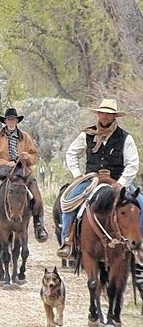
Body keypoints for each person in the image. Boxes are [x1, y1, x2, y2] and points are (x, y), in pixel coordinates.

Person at [56, 99, 142, 258]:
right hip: (92, 179)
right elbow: (71, 153)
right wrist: (78, 175)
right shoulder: (86, 134)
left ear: (114, 116)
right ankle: (67, 241)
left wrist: (121, 182)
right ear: (98, 114)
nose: (104, 116)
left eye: (108, 114)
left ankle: (139, 245)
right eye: (102, 113)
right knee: (68, 201)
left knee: (140, 204)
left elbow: (132, 163)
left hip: (117, 180)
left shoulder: (125, 138)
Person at [0, 108, 49, 242]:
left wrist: (26, 157)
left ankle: (38, 225)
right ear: (5, 121)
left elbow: (34, 156)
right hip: (0, 170)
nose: (11, 122)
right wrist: (6, 163)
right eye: (8, 120)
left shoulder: (25, 137)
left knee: (37, 198)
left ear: (17, 121)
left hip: (22, 171)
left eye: (13, 119)